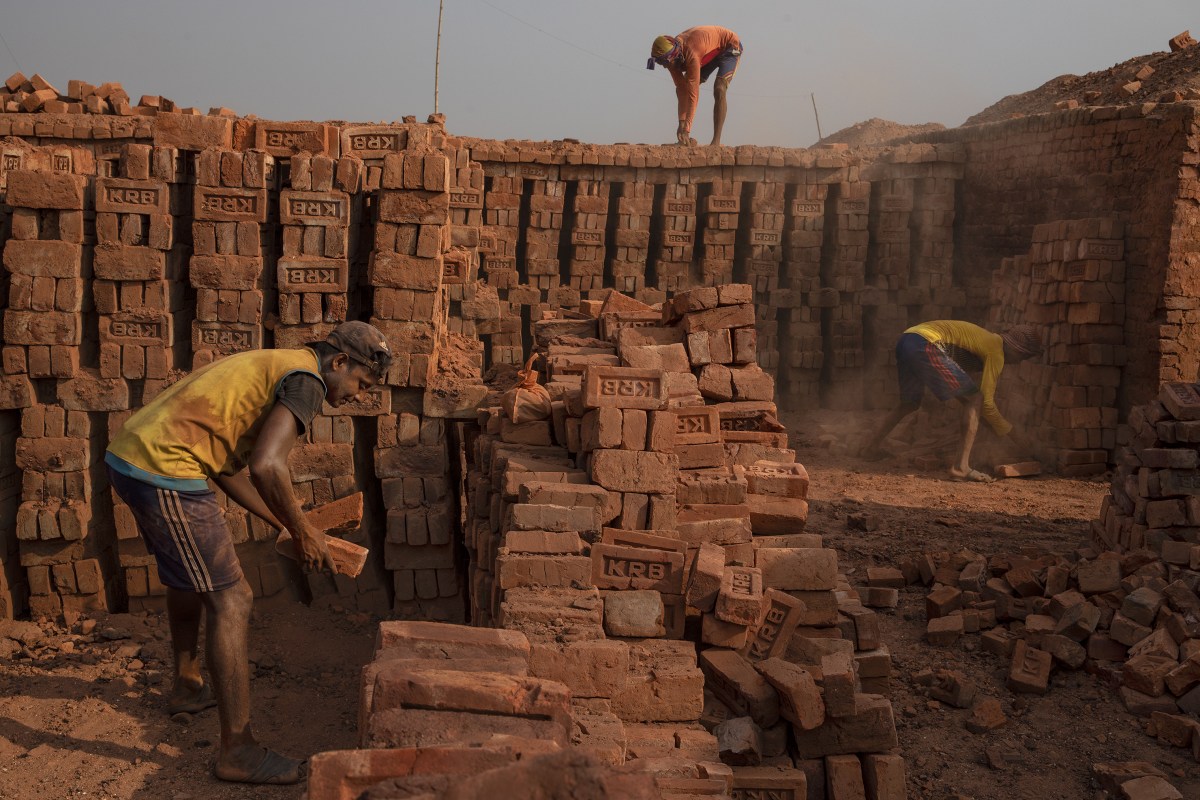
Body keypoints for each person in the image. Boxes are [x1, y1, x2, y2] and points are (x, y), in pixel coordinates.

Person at [104, 321, 392, 785]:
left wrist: (286, 524)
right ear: (339, 362)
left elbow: (226, 469)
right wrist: (303, 532)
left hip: (132, 454)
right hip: (165, 466)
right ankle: (238, 751)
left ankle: (186, 686)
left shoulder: (281, 365)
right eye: (361, 383)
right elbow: (267, 464)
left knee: (186, 577)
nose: (358, 395)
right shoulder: (308, 381)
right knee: (233, 599)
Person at [861, 320, 1042, 482]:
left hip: (908, 338)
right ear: (1017, 350)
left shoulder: (987, 340)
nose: (1020, 362)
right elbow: (985, 405)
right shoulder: (996, 352)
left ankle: (870, 448)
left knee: (909, 403)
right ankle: (960, 467)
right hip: (925, 343)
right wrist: (1015, 436)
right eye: (1024, 357)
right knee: (974, 398)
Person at [647, 26, 743, 147]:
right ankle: (685, 135)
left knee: (719, 89)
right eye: (661, 63)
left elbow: (693, 95)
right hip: (709, 52)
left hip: (729, 47)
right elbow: (682, 89)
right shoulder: (672, 59)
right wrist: (681, 122)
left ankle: (715, 142)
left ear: (674, 55)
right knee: (686, 85)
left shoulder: (692, 52)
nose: (665, 67)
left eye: (665, 63)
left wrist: (686, 129)